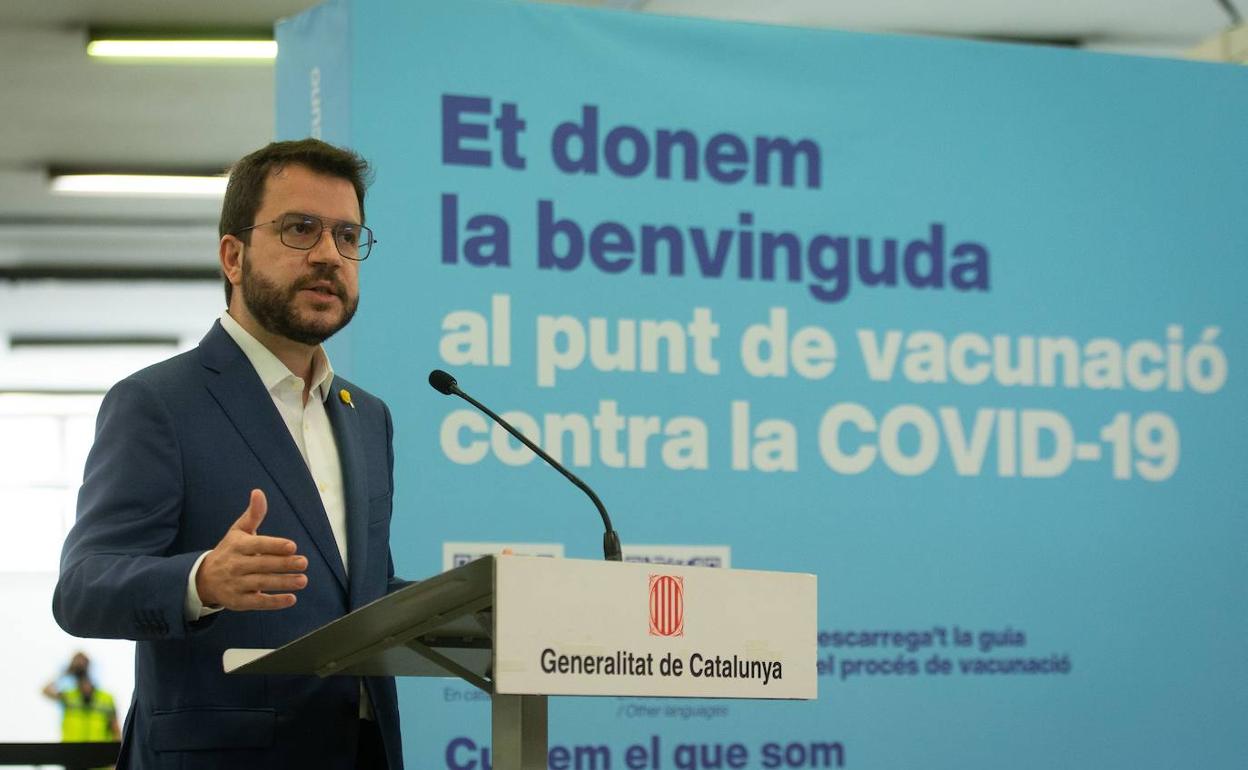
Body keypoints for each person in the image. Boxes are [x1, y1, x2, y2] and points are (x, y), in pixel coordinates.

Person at [53, 139, 403, 769]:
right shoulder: (158, 402)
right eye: (301, 229)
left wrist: (480, 599)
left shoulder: (367, 417)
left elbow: (355, 594)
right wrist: (202, 580)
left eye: (348, 236)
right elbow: (83, 588)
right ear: (233, 257)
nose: (329, 254)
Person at [42, 652, 122, 752]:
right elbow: (45, 690)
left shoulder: (106, 698)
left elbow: (116, 731)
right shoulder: (68, 696)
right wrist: (66, 673)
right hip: (71, 755)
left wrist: (116, 757)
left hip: (100, 756)